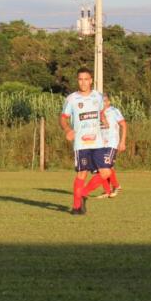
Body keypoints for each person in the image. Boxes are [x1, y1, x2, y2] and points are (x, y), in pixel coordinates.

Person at [59, 67, 111, 215]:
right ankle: (76, 207)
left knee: (106, 172)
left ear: (91, 80)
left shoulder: (98, 97)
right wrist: (67, 130)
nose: (83, 82)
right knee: (82, 174)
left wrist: (103, 119)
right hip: (81, 144)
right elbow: (63, 118)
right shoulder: (72, 99)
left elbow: (100, 112)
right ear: (78, 81)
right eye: (80, 79)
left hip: (97, 142)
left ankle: (83, 194)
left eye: (86, 79)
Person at [94, 94, 127, 198]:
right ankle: (107, 191)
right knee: (102, 167)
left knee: (105, 166)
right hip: (100, 143)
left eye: (104, 101)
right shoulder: (97, 113)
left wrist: (122, 142)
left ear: (108, 102)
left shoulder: (114, 111)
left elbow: (124, 125)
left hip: (111, 142)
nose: (102, 103)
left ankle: (116, 186)